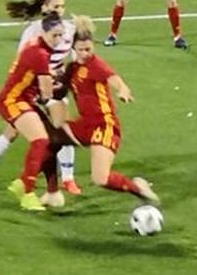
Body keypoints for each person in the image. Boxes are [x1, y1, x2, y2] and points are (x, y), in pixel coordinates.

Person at [0, 0, 79, 194]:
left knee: (62, 131)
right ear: (45, 8)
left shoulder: (69, 29)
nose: (60, 10)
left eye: (62, 6)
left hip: (53, 88)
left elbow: (72, 57)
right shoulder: (33, 32)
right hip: (31, 89)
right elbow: (23, 62)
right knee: (10, 133)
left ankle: (68, 179)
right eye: (55, 6)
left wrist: (64, 75)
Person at [42, 17, 159, 207]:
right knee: (49, 141)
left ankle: (137, 187)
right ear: (74, 49)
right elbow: (59, 92)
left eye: (89, 49)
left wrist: (123, 90)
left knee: (100, 178)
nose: (86, 53)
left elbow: (114, 78)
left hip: (104, 126)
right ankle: (52, 192)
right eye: (81, 50)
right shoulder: (72, 69)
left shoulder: (95, 65)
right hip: (85, 125)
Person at [0, 13, 63, 211]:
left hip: (21, 99)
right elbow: (46, 92)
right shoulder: (40, 54)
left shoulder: (38, 48)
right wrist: (60, 86)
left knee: (53, 141)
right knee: (40, 140)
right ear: (44, 32)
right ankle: (28, 193)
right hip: (12, 101)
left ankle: (27, 184)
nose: (57, 40)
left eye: (60, 35)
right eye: (54, 35)